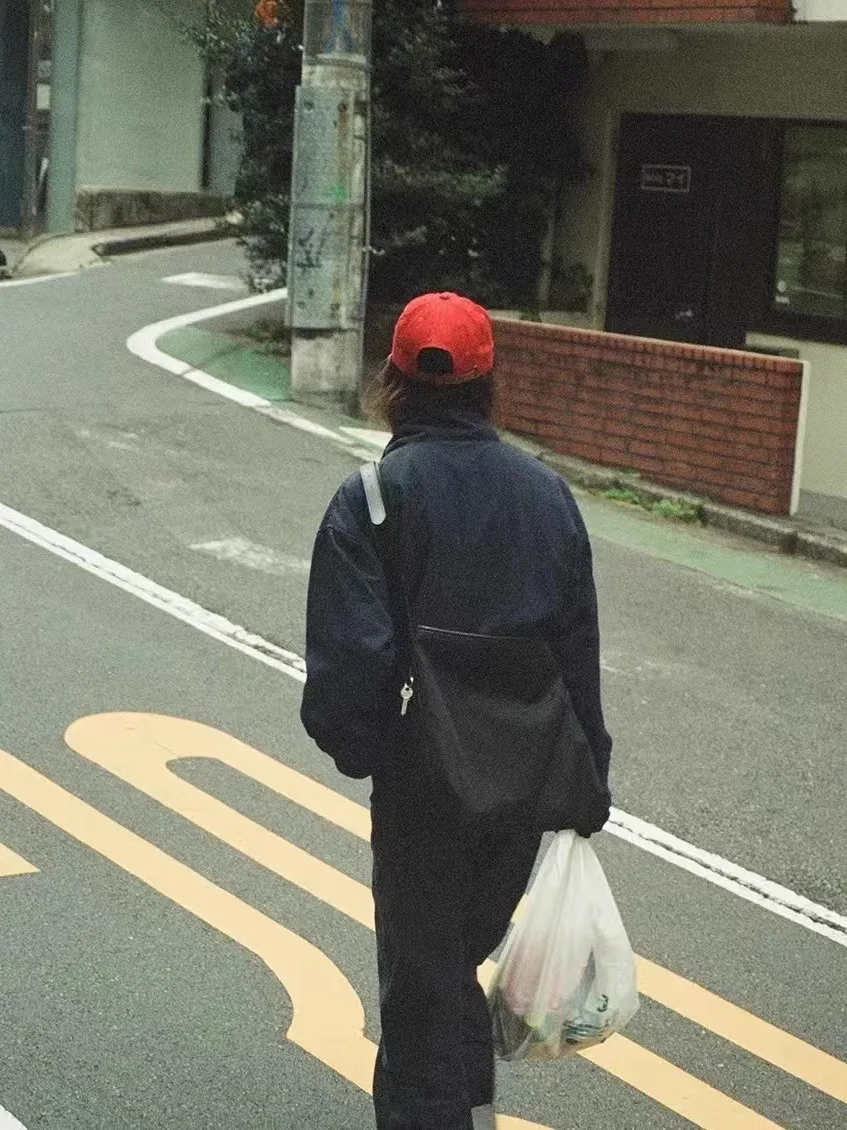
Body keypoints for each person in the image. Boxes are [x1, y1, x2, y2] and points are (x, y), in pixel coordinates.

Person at [301, 292, 612, 1130]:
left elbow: (350, 663)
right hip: (525, 780)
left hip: (424, 785)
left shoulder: (374, 497)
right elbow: (576, 647)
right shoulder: (547, 495)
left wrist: (365, 751)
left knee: (420, 984)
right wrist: (589, 779)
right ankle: (462, 1102)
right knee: (453, 962)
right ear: (488, 383)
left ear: (392, 380)